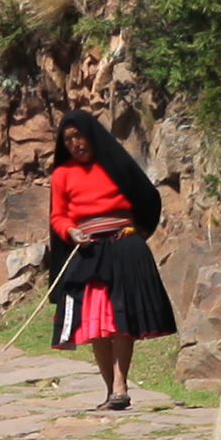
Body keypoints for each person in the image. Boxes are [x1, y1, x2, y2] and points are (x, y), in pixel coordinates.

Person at [46, 109, 177, 409]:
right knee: (96, 325)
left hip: (123, 245)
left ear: (91, 134)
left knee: (120, 320)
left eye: (79, 135)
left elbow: (146, 195)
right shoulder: (62, 175)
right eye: (67, 139)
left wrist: (139, 230)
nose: (75, 143)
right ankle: (110, 390)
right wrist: (71, 232)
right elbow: (58, 216)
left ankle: (121, 387)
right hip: (88, 251)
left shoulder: (115, 164)